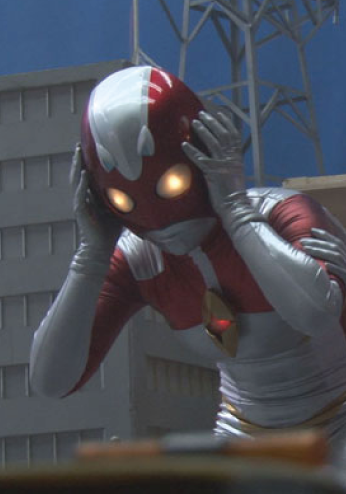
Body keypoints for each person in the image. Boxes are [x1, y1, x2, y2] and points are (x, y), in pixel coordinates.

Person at [29, 65, 346, 448]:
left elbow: (315, 314)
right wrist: (92, 255)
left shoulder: (282, 215)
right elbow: (52, 380)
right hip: (243, 436)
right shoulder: (139, 260)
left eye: (171, 183)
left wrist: (236, 210)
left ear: (205, 149)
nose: (158, 218)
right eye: (123, 200)